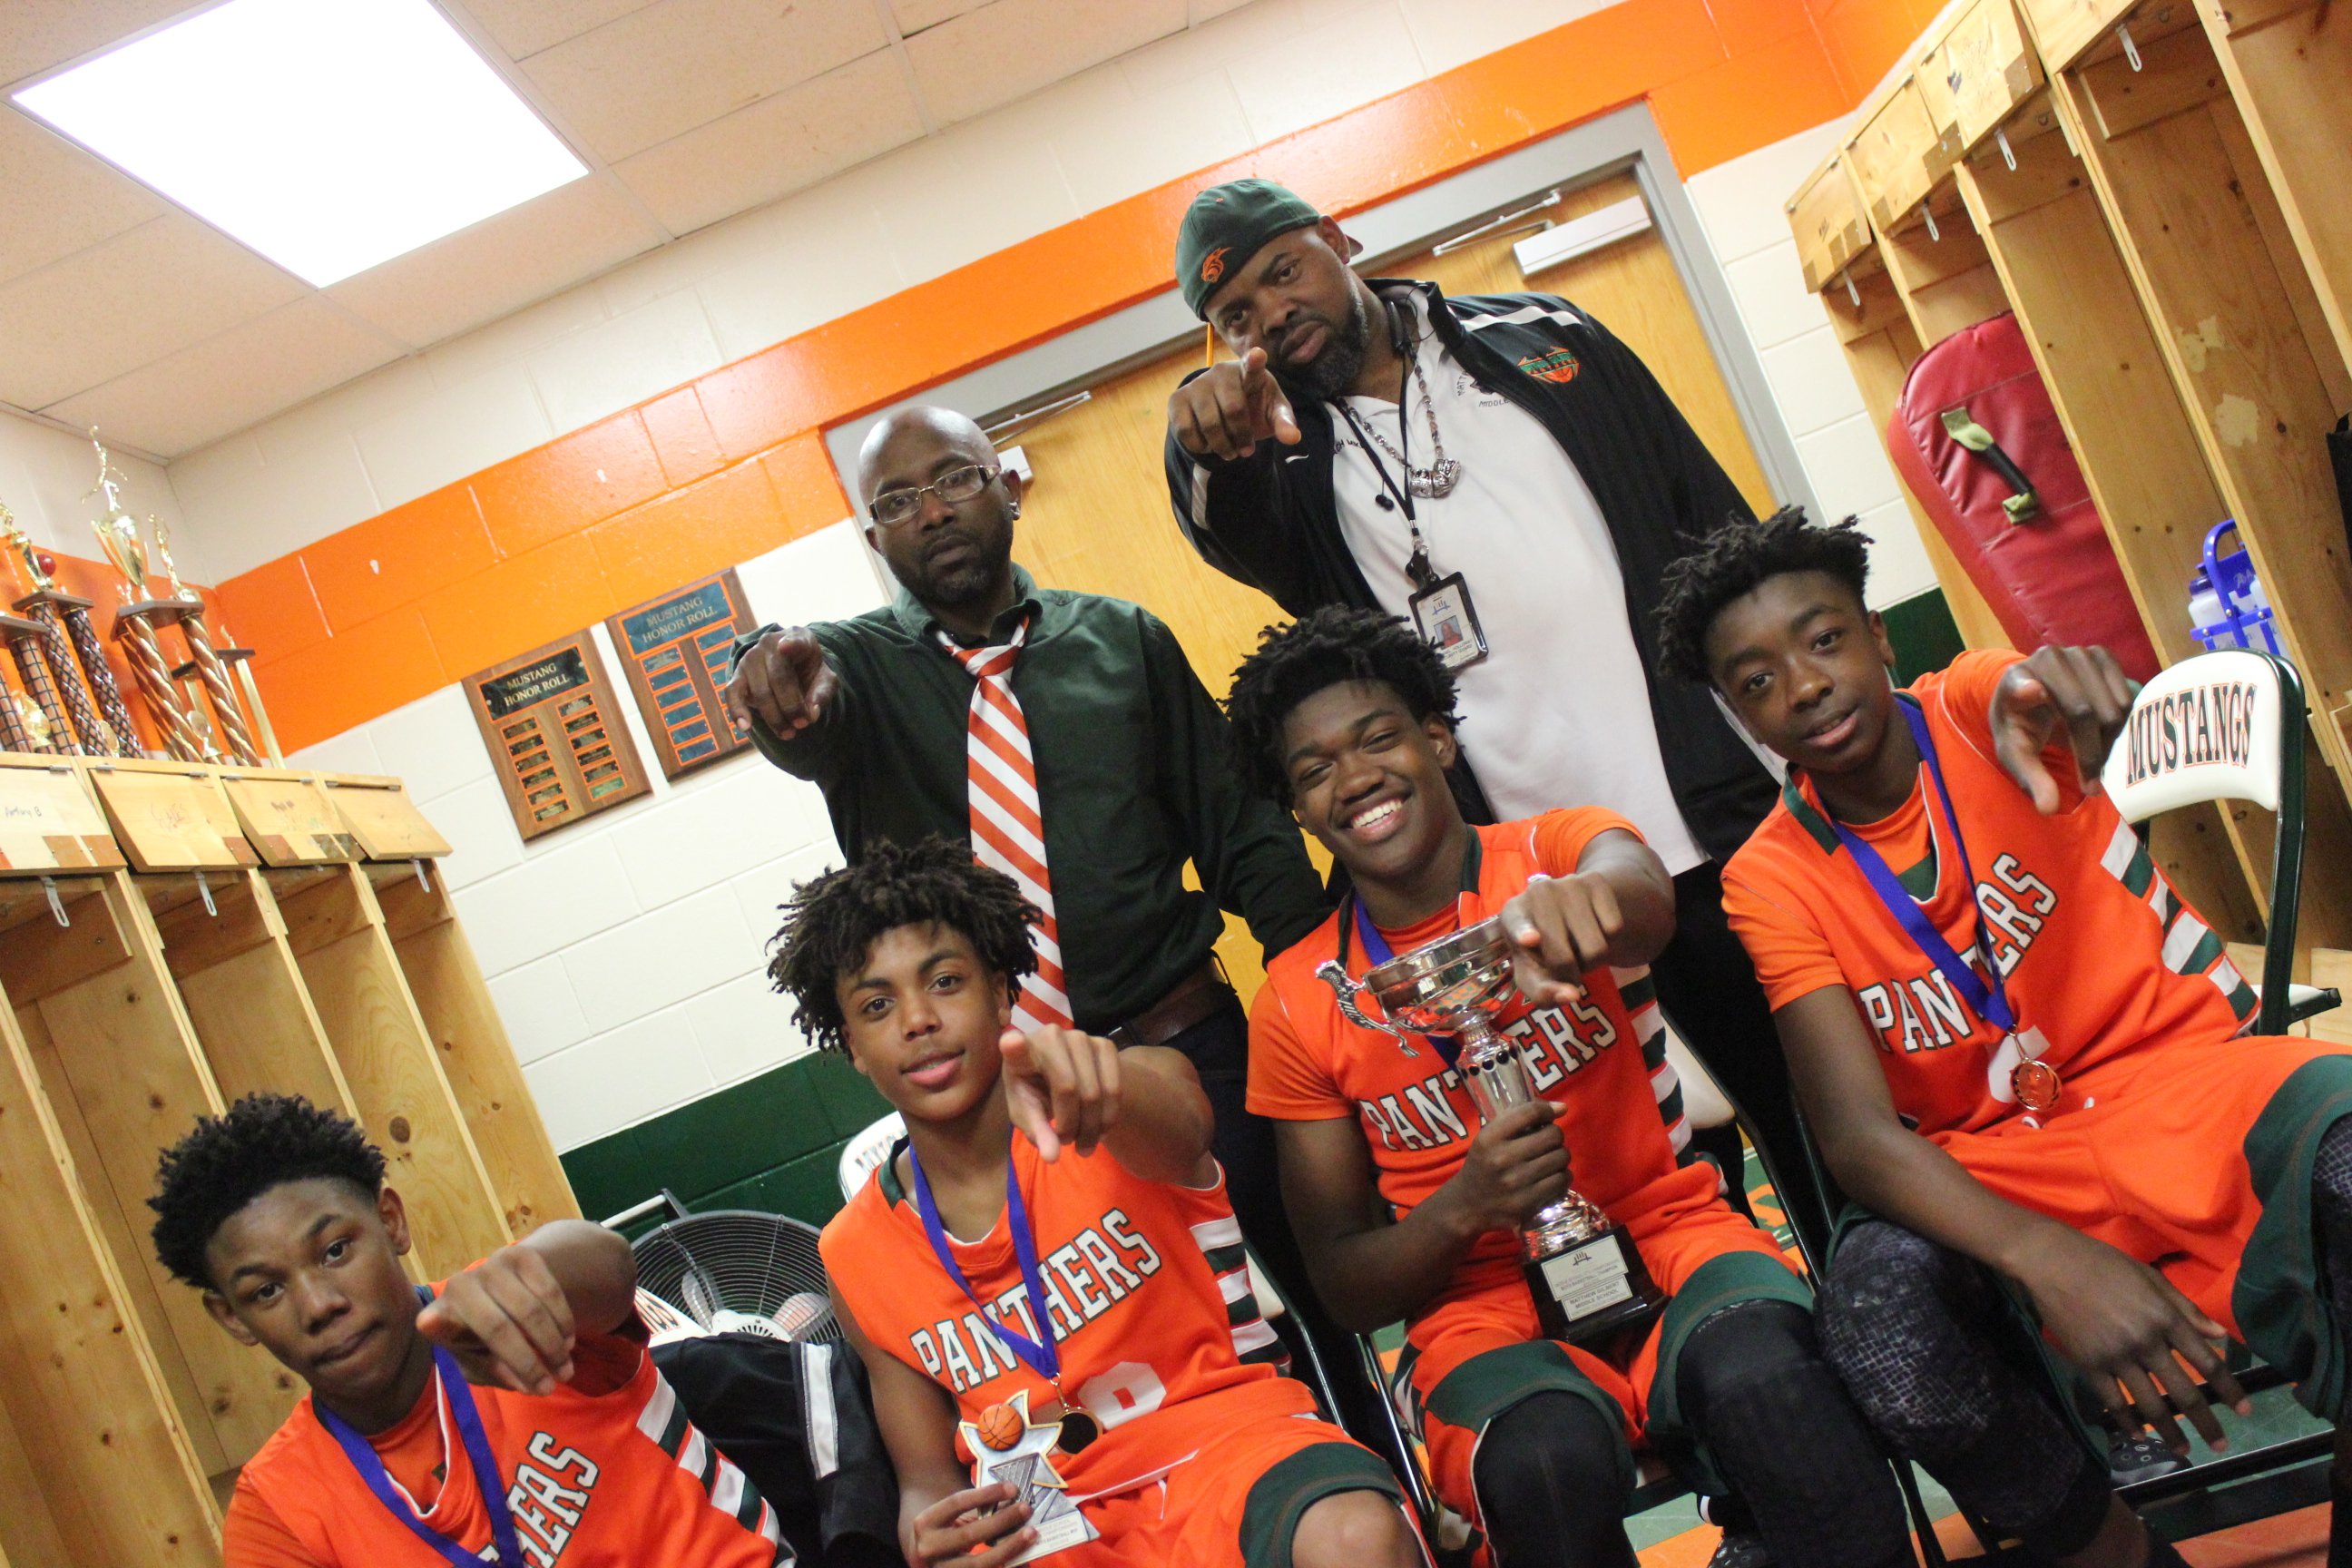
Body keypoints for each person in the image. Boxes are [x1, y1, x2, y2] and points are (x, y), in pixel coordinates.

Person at [1661, 507, 2352, 1568]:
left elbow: (2020, 689)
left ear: (1880, 636)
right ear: (1735, 713)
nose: (1802, 686)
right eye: (1756, 681)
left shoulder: (1978, 710)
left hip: (2188, 1083)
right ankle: (2118, 1552)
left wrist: (2060, 688)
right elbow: (1857, 1140)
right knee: (1879, 1325)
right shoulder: (1769, 878)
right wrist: (2048, 1258)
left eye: (1825, 639)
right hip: (2002, 1164)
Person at [1161, 177, 1821, 1247]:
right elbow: (1224, 524)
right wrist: (1200, 442)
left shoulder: (1543, 337)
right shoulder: (1281, 462)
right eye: (1236, 316)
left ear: (1338, 237)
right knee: (1652, 1179)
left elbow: (1715, 528)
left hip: (1709, 826)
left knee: (1818, 1119)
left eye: (1285, 272)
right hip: (1532, 903)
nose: (1272, 315)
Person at [720, 405, 1376, 1436]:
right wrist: (768, 662)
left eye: (955, 479)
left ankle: (1379, 1489)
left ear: (1009, 487)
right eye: (897, 501)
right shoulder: (851, 675)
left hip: (1187, 1051)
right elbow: (800, 712)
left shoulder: (1124, 641)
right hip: (1000, 1099)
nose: (932, 511)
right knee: (1112, 1351)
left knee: (1306, 1314)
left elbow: (1239, 830)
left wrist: (1318, 999)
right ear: (873, 537)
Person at [1227, 606, 1912, 1568]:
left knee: (1773, 1384)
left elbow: (1641, 894)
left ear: (1437, 737)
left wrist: (1586, 902)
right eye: (1314, 771)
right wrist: (1466, 1205)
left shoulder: (1554, 852)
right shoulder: (1302, 999)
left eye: (1378, 739)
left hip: (1672, 1234)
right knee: (1543, 1466)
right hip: (1477, 1308)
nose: (1355, 779)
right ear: (1298, 810)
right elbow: (1343, 1282)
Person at [781, 837, 1426, 1568]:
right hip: (1049, 1525)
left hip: (1231, 1453)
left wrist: (1109, 1088)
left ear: (1001, 992)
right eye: (877, 1005)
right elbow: (926, 1481)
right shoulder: (855, 1252)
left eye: (946, 982)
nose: (917, 1019)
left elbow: (1182, 1124)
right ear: (853, 1046)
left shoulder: (1119, 1099)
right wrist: (930, 1538)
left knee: (1355, 1538)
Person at [148, 1092, 790, 1567]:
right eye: (266, 1290)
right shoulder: (278, 1510)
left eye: (336, 1250)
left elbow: (606, 1268)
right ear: (232, 1318)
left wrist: (538, 1273)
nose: (318, 1305)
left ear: (391, 1222)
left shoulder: (506, 1312)